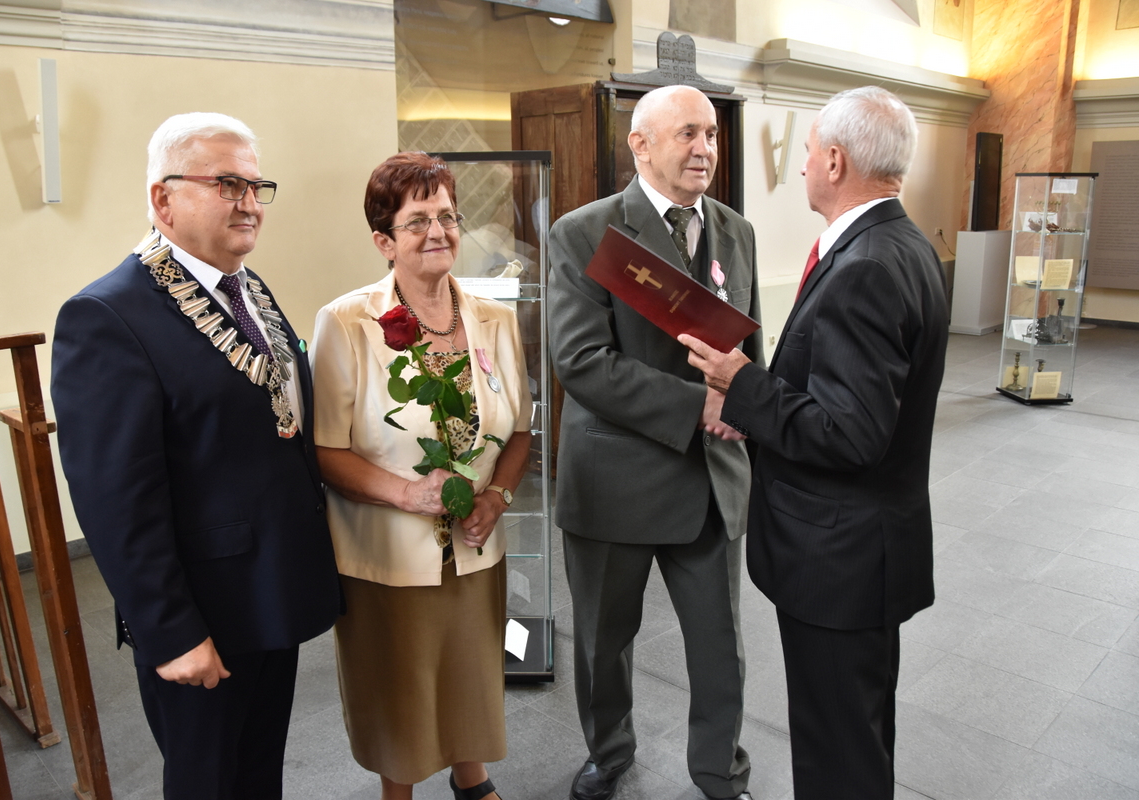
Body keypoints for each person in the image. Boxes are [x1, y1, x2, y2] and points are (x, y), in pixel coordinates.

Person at [50, 113, 343, 799]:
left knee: (256, 773)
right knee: (206, 780)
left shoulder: (247, 287)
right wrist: (171, 632)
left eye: (255, 184)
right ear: (164, 199)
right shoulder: (107, 315)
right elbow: (115, 498)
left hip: (270, 588)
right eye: (226, 183)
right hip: (201, 612)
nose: (248, 201)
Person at [680, 86, 948, 800]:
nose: (802, 167)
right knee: (856, 734)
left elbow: (851, 433)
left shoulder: (865, 266)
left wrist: (743, 383)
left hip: (839, 558)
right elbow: (843, 399)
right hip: (862, 553)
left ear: (834, 160)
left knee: (837, 754)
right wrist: (759, 410)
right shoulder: (902, 244)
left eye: (807, 154)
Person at [547, 84, 763, 800]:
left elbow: (748, 347)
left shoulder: (737, 230)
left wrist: (747, 403)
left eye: (710, 134)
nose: (705, 148)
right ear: (639, 144)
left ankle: (720, 772)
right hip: (616, 479)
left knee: (720, 648)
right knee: (604, 643)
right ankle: (609, 754)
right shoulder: (585, 233)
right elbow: (581, 364)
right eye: (687, 135)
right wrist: (700, 405)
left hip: (709, 477)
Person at [310, 152, 532, 800]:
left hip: (473, 548)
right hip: (386, 557)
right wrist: (408, 492)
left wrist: (497, 495)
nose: (438, 232)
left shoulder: (496, 319)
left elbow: (518, 431)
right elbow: (324, 449)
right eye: (417, 221)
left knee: (470, 679)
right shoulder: (346, 324)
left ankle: (474, 783)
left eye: (447, 216)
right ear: (384, 240)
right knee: (399, 694)